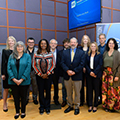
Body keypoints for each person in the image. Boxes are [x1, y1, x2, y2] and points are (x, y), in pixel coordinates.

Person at [7, 41, 31, 119]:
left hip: (24, 81)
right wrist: (14, 79)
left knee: (23, 97)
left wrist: (21, 79)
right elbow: (9, 68)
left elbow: (28, 68)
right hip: (13, 82)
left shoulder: (27, 56)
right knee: (16, 97)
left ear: (23, 48)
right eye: (18, 46)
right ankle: (17, 112)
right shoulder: (11, 56)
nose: (20, 48)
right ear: (15, 48)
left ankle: (23, 111)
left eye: (21, 46)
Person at [61, 37, 84, 115]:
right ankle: (70, 105)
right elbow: (62, 63)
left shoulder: (81, 53)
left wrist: (74, 71)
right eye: (71, 42)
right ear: (69, 43)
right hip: (67, 76)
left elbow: (82, 64)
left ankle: (77, 107)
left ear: (77, 44)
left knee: (77, 93)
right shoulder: (65, 52)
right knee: (69, 92)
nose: (73, 44)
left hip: (77, 76)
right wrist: (67, 70)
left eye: (74, 42)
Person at [33, 39, 55, 115]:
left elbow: (53, 64)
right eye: (41, 43)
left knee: (48, 91)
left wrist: (47, 74)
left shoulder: (50, 54)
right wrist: (40, 74)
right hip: (39, 76)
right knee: (41, 92)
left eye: (45, 43)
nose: (43, 45)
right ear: (39, 45)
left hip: (49, 76)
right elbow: (34, 65)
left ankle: (48, 107)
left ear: (47, 45)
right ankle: (42, 107)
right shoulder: (36, 54)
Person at [102, 38, 120, 112]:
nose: (111, 44)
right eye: (110, 43)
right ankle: (106, 106)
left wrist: (117, 75)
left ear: (115, 44)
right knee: (105, 91)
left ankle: (113, 107)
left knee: (113, 91)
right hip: (105, 74)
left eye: (112, 43)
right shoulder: (105, 53)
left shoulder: (117, 53)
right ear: (108, 44)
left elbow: (119, 65)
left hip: (113, 74)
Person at [86, 42, 103, 112]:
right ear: (90, 47)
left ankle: (95, 105)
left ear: (96, 47)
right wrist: (90, 72)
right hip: (89, 74)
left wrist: (94, 72)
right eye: (92, 46)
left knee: (96, 90)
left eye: (94, 46)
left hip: (96, 74)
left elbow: (100, 65)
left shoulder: (99, 55)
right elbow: (86, 64)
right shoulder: (87, 55)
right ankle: (90, 105)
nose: (93, 47)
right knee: (89, 90)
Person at [1, 36, 16, 112]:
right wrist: (3, 73)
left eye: (12, 41)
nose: (10, 42)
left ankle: (17, 103)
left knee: (16, 89)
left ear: (14, 42)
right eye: (9, 41)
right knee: (6, 88)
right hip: (7, 73)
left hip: (16, 73)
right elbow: (3, 63)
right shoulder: (5, 51)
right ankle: (4, 103)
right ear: (7, 42)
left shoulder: (18, 50)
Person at [78, 35, 91, 106]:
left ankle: (89, 102)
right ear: (82, 40)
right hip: (81, 70)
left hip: (89, 69)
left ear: (88, 40)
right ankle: (81, 101)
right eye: (84, 39)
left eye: (86, 39)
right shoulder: (79, 49)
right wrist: (82, 67)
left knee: (89, 86)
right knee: (81, 86)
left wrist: (86, 67)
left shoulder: (91, 48)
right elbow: (79, 59)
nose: (85, 40)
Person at [26, 37, 38, 105]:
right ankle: (26, 98)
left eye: (32, 42)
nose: (31, 44)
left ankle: (35, 98)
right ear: (27, 43)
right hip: (26, 71)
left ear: (34, 43)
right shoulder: (24, 50)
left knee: (35, 85)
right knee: (26, 85)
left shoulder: (37, 50)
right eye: (29, 42)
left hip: (35, 71)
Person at [59, 38, 70, 107]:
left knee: (71, 88)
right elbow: (60, 63)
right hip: (63, 72)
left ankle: (70, 100)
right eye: (65, 43)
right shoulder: (60, 52)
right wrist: (66, 70)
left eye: (67, 42)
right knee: (64, 87)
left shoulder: (73, 51)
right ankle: (64, 100)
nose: (66, 44)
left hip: (71, 73)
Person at [49, 39, 60, 105]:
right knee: (48, 86)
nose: (53, 45)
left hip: (56, 71)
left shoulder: (59, 52)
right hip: (48, 72)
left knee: (56, 86)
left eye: (54, 43)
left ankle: (56, 99)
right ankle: (48, 99)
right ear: (50, 44)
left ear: (56, 45)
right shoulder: (47, 52)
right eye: (52, 43)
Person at [98, 33, 106, 104]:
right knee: (99, 85)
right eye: (100, 38)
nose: (101, 39)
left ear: (105, 39)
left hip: (106, 68)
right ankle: (100, 99)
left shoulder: (108, 47)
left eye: (102, 38)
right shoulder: (97, 47)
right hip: (98, 69)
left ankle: (106, 99)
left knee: (106, 85)